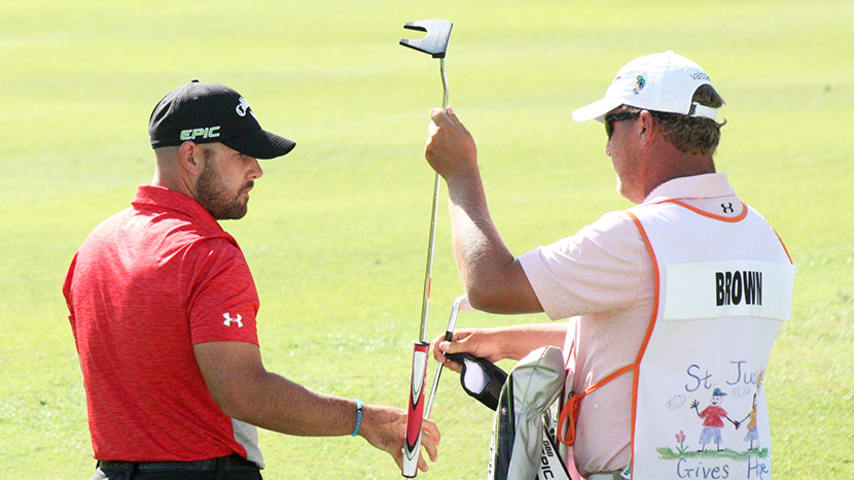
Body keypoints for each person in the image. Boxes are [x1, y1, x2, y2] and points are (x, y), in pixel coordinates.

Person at [424, 51, 794, 479]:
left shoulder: (635, 237)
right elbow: (654, 339)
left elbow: (489, 284)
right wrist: (507, 343)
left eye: (609, 127)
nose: (605, 147)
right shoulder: (763, 236)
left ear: (644, 125)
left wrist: (461, 173)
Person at [63, 80, 439, 480]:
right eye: (242, 154)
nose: (256, 170)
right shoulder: (207, 254)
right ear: (191, 156)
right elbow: (242, 391)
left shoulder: (94, 247)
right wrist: (364, 419)